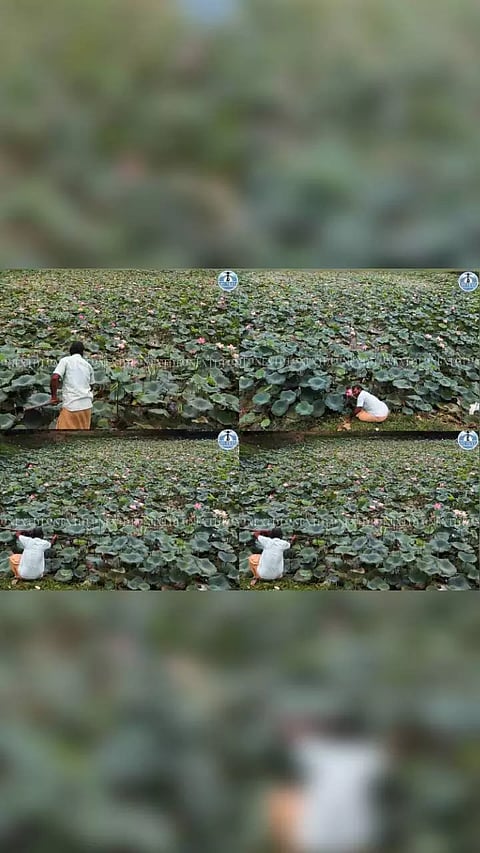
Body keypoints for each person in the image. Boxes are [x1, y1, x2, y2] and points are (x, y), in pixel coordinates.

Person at [50, 342, 95, 430]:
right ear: (82, 352)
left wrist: (54, 397)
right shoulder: (88, 366)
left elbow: (55, 378)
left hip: (72, 407)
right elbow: (91, 386)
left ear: (70, 351)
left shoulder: (65, 361)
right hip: (87, 407)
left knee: (63, 439)